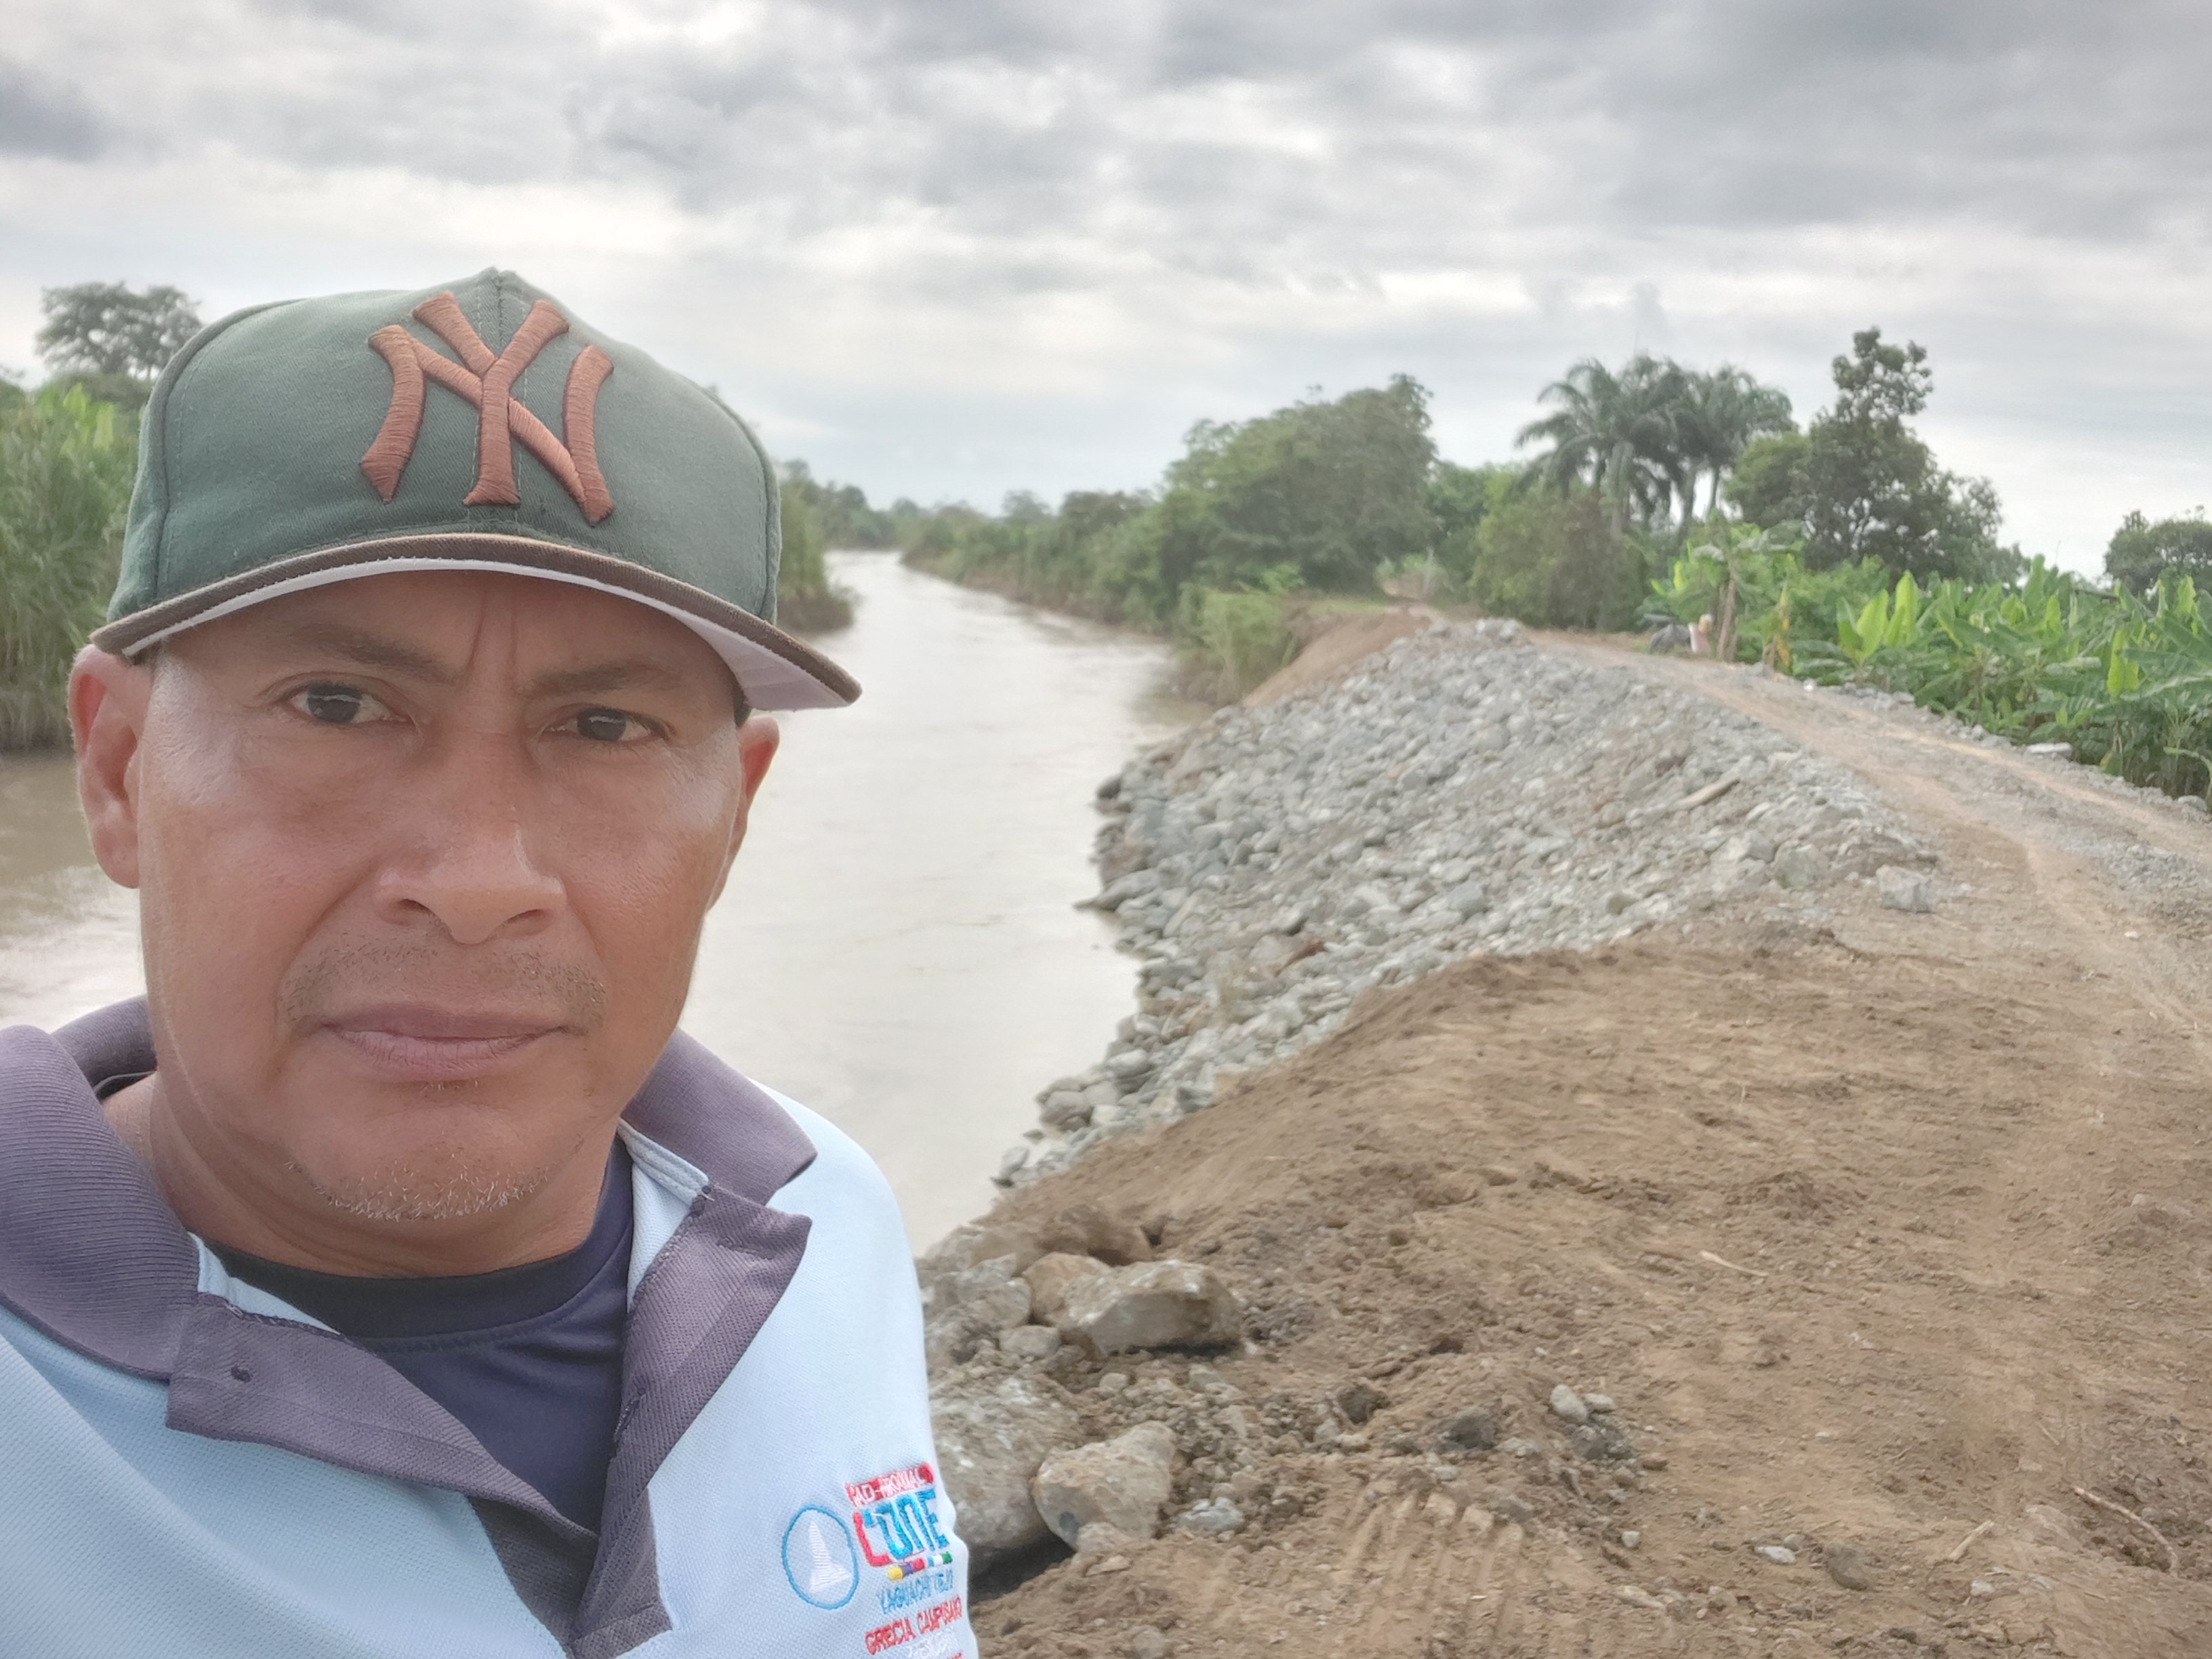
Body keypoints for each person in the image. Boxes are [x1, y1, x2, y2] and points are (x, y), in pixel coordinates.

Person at [0, 270, 975, 1658]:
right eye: (337, 705)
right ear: (116, 770)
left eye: (606, 728)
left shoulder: (825, 1220)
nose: (475, 884)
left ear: (735, 818)